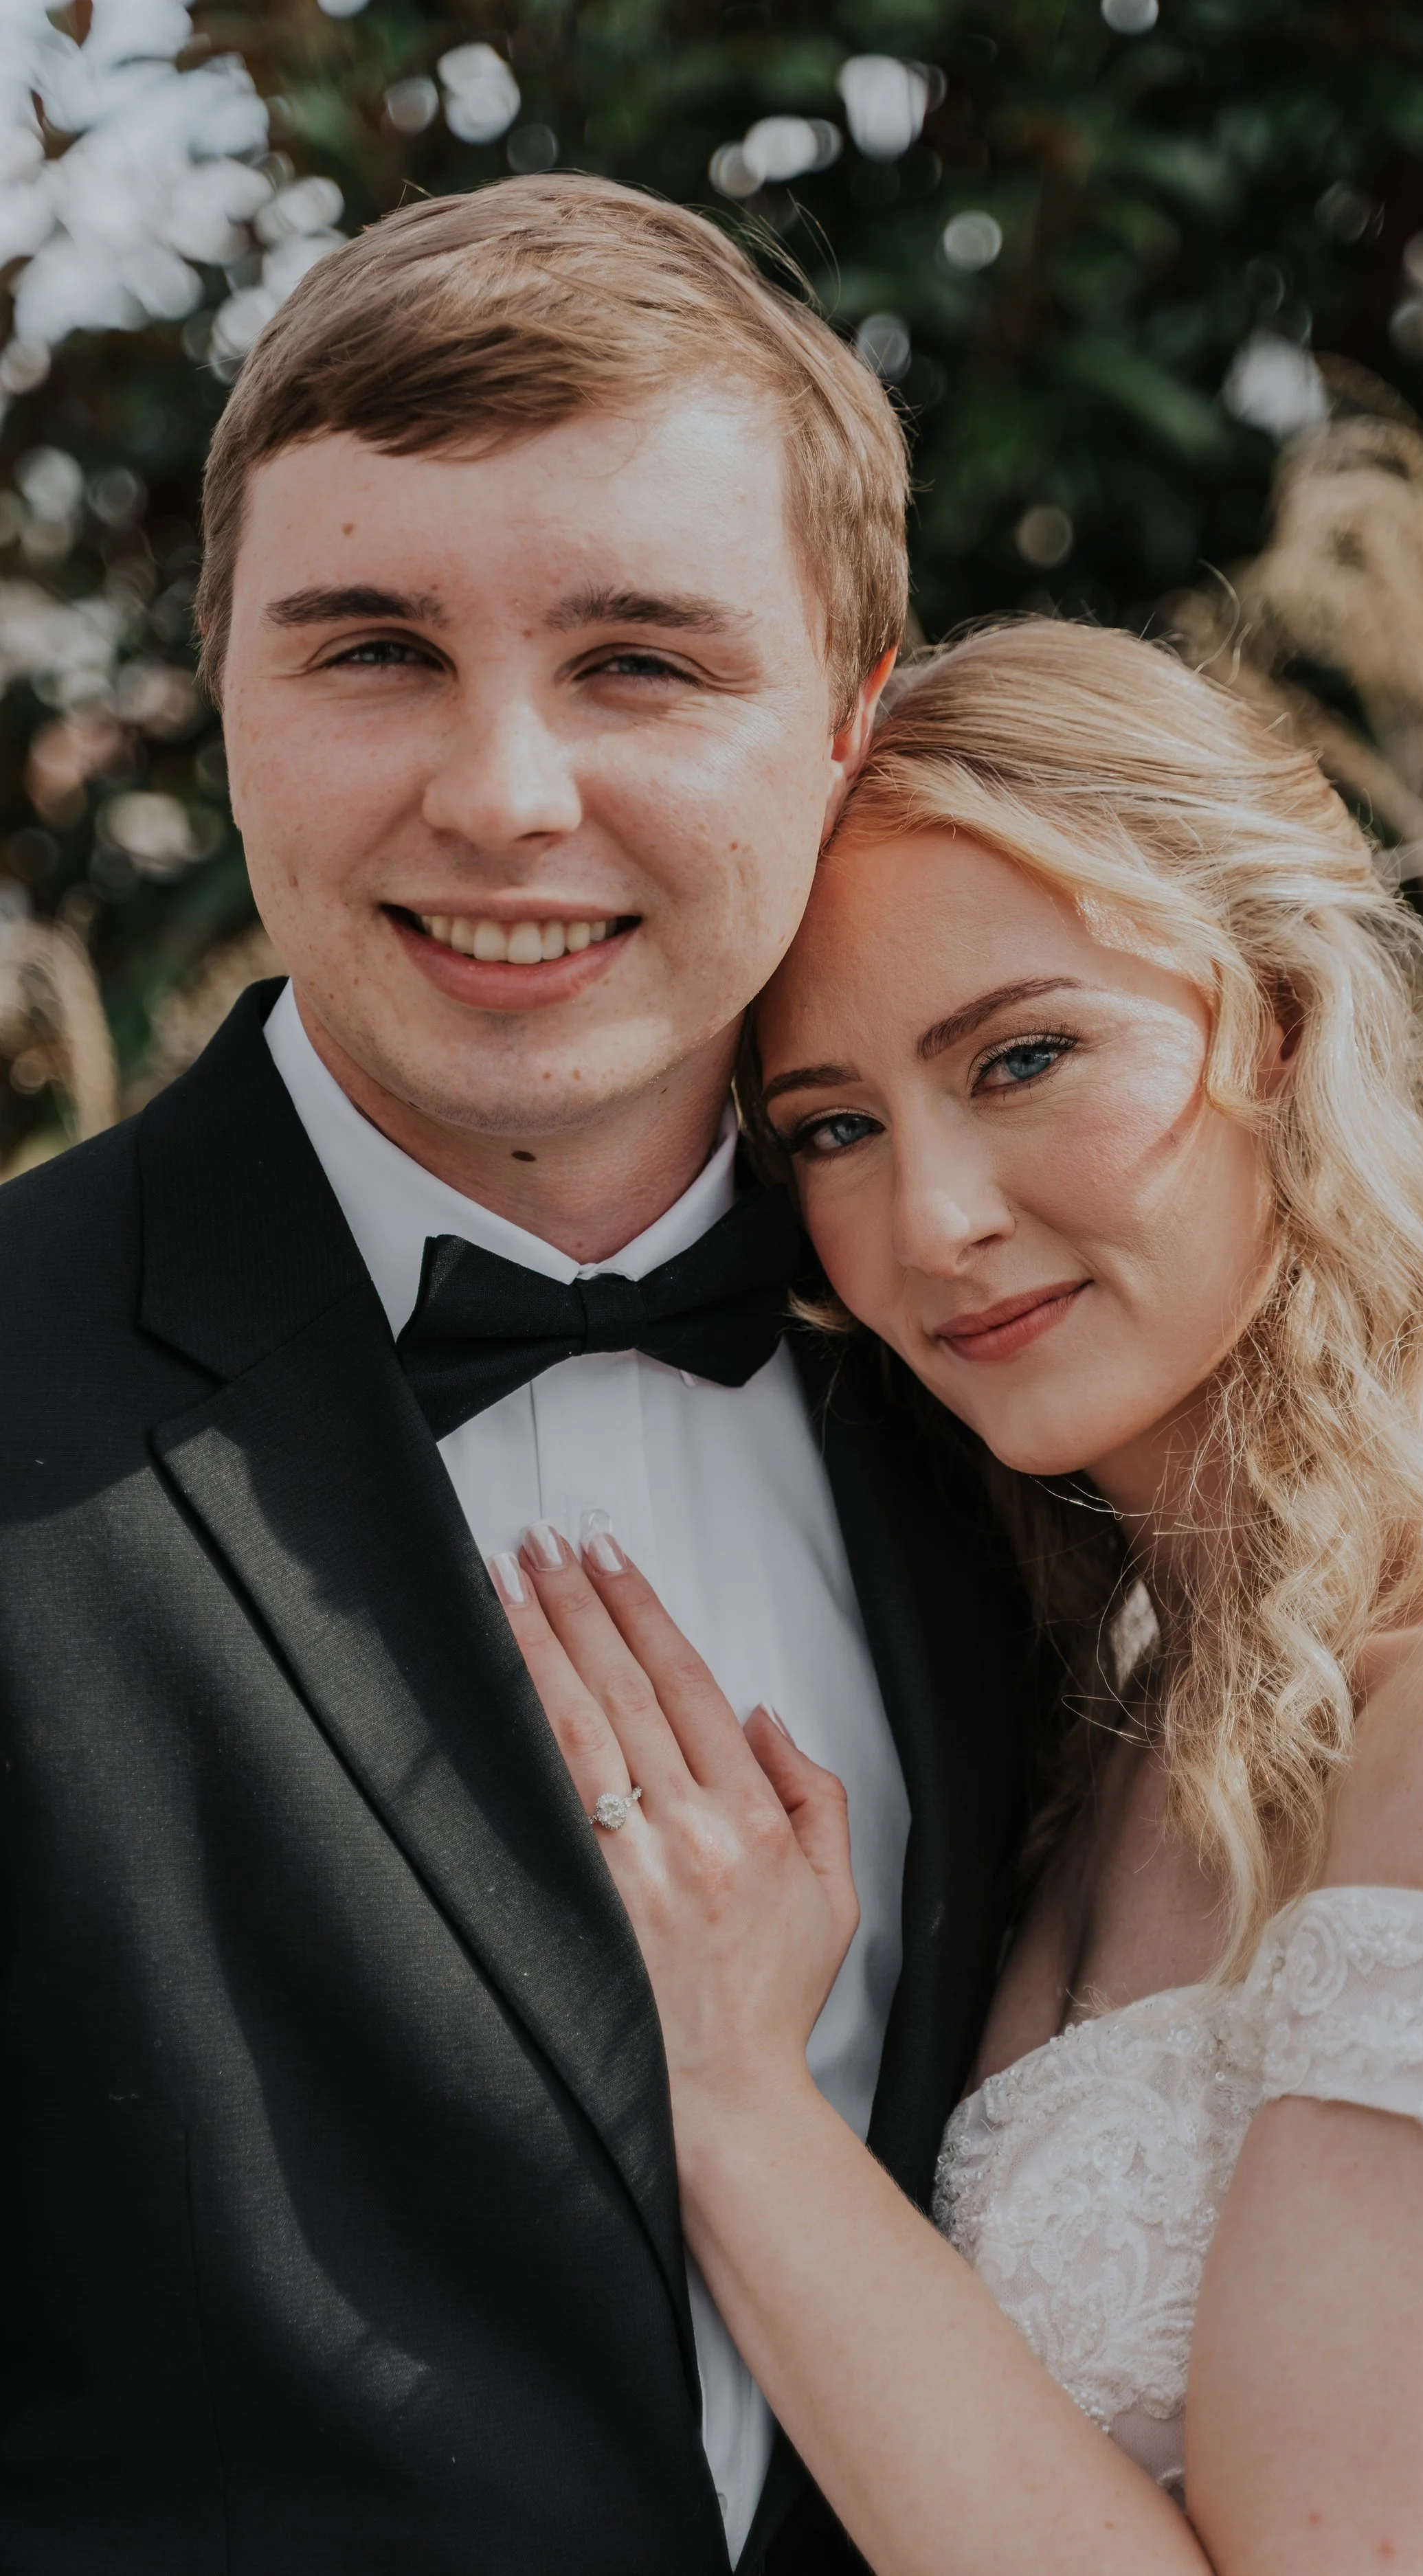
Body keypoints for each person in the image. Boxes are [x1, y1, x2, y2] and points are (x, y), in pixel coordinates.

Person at [0, 177, 1043, 2573]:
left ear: (846, 726)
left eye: (640, 662)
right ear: (226, 692)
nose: (499, 795)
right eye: (368, 647)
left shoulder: (1030, 1403)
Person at [489, 618, 1423, 2576]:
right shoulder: (1112, 1690)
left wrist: (730, 2095)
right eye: (833, 1127)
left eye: (1026, 1055)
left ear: (1282, 1022)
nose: (934, 1219)